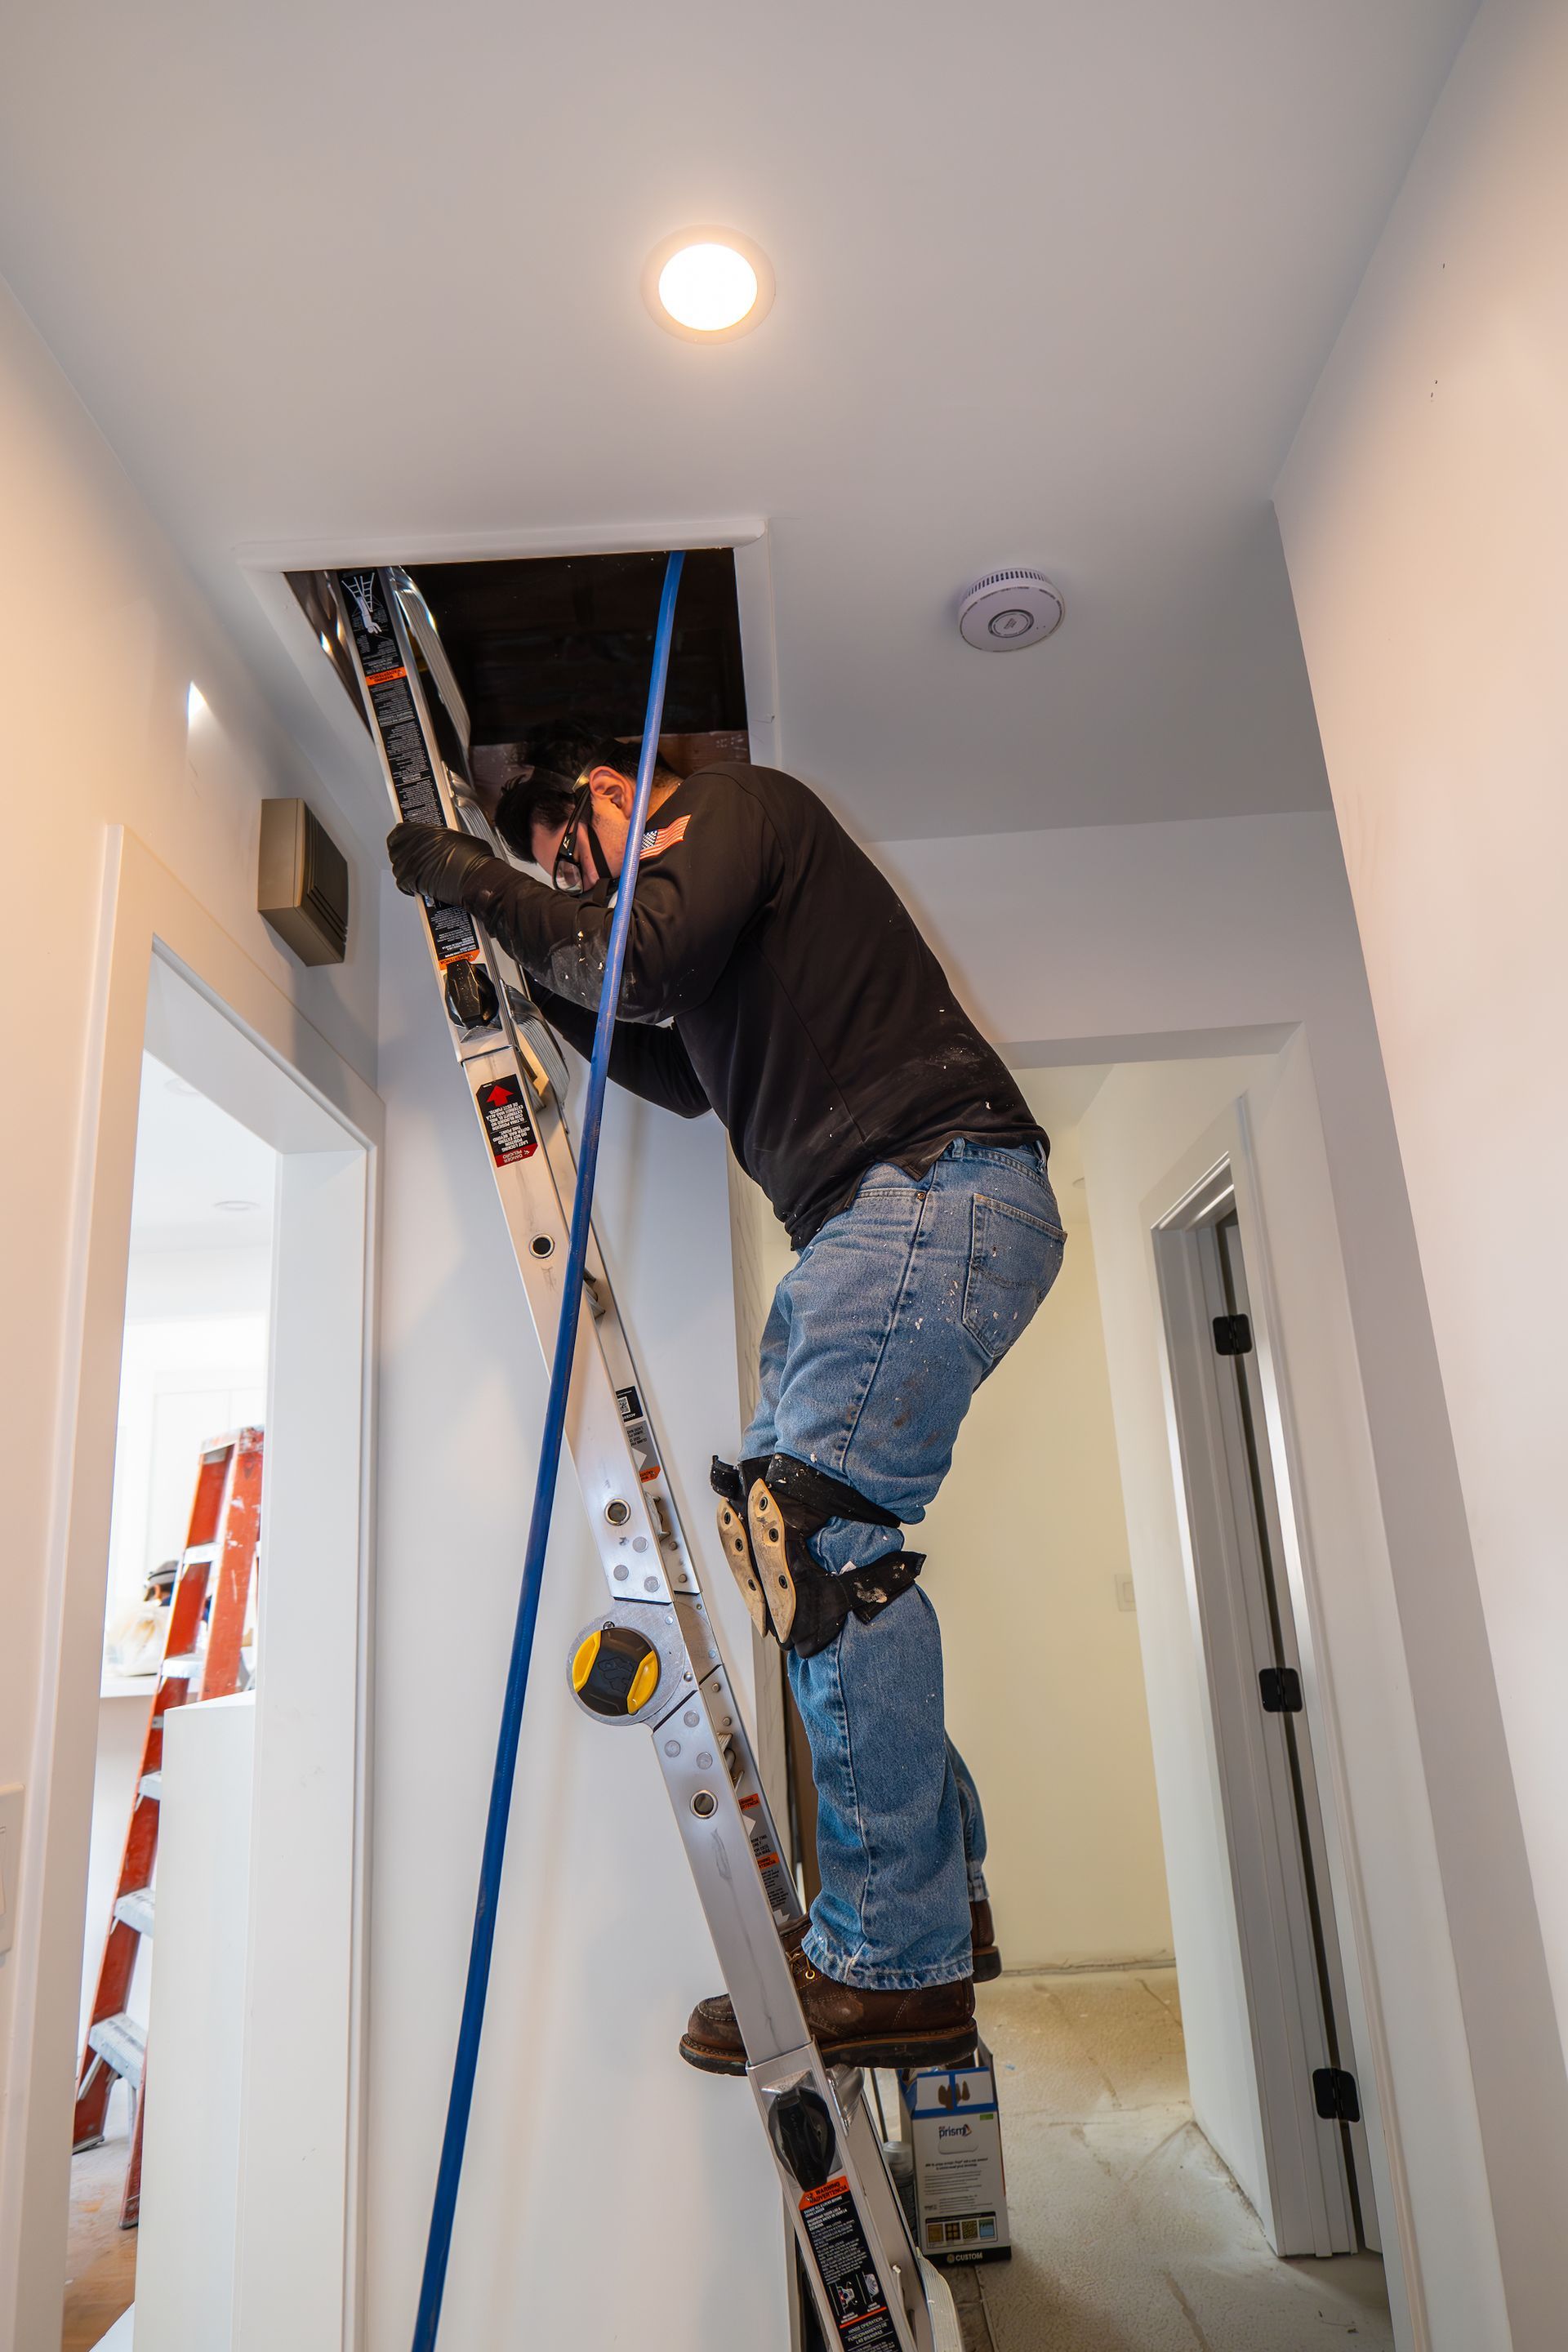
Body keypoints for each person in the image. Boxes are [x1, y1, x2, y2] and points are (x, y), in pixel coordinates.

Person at [387, 724, 1065, 2076]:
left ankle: (897, 1959)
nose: (581, 887)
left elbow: (630, 959)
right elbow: (674, 1067)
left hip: (922, 1189)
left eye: (573, 858)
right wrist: (531, 962)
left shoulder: (730, 806)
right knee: (811, 1546)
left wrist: (475, 878)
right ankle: (939, 1904)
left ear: (615, 791)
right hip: (892, 1210)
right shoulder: (695, 926)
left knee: (808, 1546)